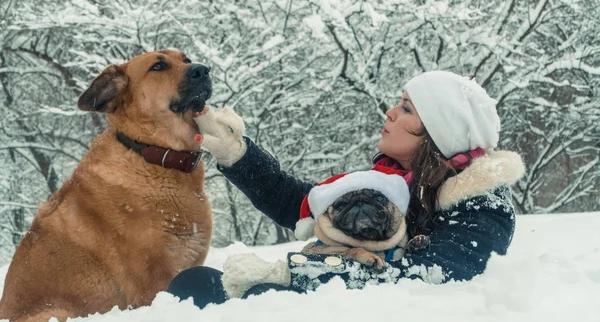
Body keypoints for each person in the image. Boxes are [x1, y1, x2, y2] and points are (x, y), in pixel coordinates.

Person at [167, 70, 525, 308]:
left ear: (438, 131)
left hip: (370, 308)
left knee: (256, 295)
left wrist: (291, 275)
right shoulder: (397, 182)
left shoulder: (481, 205)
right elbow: (304, 204)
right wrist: (239, 155)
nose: (389, 113)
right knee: (195, 283)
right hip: (337, 294)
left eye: (405, 108)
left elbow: (430, 277)